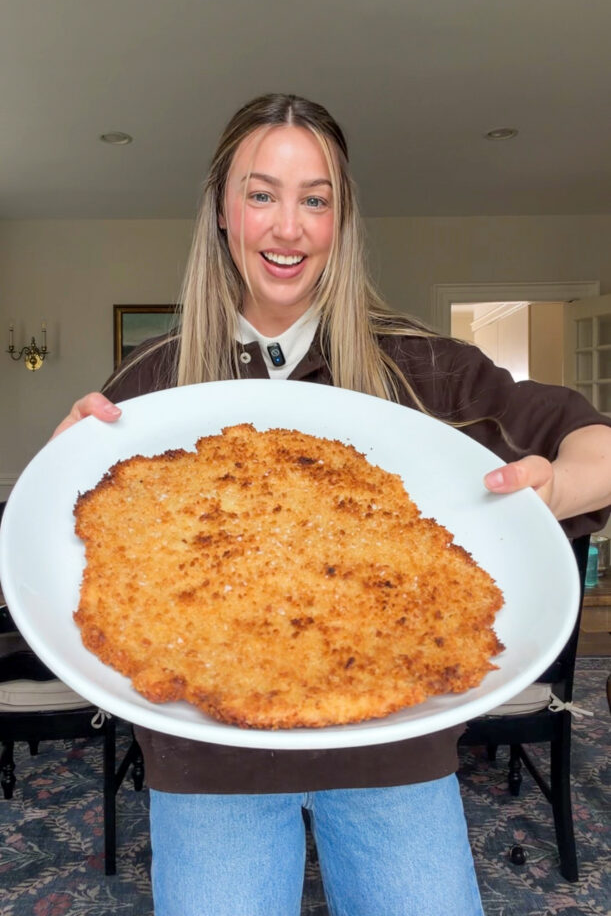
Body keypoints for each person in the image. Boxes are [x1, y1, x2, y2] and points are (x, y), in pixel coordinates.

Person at [53, 93, 611, 916]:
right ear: (221, 210)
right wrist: (66, 464)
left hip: (394, 755)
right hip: (209, 765)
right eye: (261, 194)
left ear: (341, 221)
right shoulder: (154, 380)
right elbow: (73, 543)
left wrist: (555, 487)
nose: (289, 227)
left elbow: (592, 441)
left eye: (315, 199)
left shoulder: (422, 368)